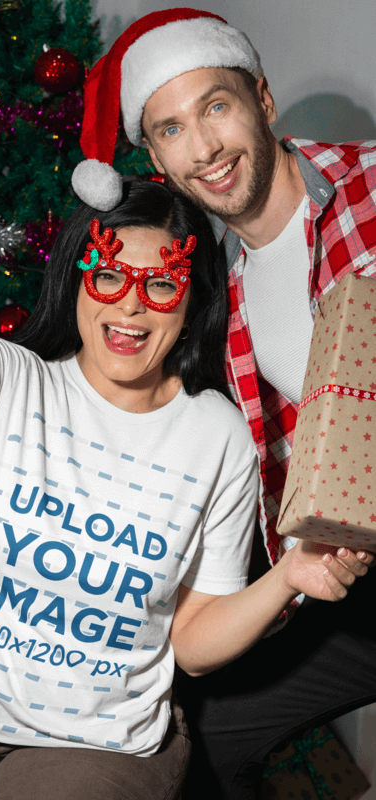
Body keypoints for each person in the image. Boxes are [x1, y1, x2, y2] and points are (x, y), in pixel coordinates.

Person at [0, 163, 368, 799]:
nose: (129, 305)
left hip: (96, 742)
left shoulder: (218, 438)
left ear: (194, 300)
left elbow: (194, 642)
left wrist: (288, 577)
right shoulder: (14, 383)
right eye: (110, 274)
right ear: (79, 282)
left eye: (161, 287)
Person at [70, 8, 376, 800]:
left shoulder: (369, 187)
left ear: (262, 102)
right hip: (352, 573)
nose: (203, 148)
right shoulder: (221, 298)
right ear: (156, 158)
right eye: (170, 129)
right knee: (183, 738)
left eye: (214, 107)